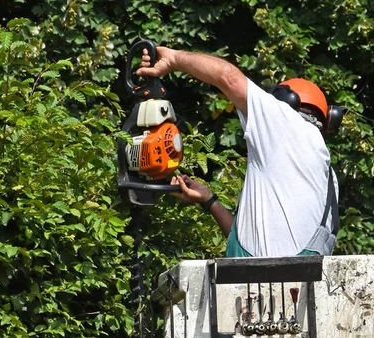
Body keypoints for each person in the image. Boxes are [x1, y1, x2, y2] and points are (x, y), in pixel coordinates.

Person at [137, 47, 340, 257]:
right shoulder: (327, 176)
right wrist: (209, 200)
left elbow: (228, 76)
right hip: (280, 284)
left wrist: (174, 60)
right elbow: (256, 251)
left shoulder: (285, 123)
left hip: (267, 284)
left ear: (285, 102)